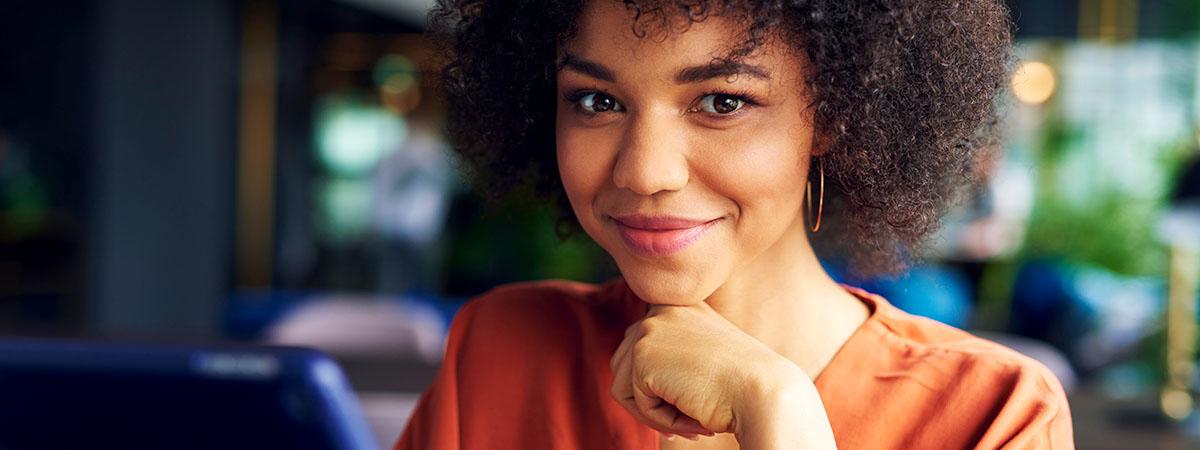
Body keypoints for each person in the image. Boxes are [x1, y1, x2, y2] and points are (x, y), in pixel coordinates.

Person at [397, 0, 1074, 448]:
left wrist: (779, 412)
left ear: (834, 117)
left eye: (723, 101)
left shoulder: (996, 415)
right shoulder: (501, 352)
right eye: (596, 100)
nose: (643, 171)